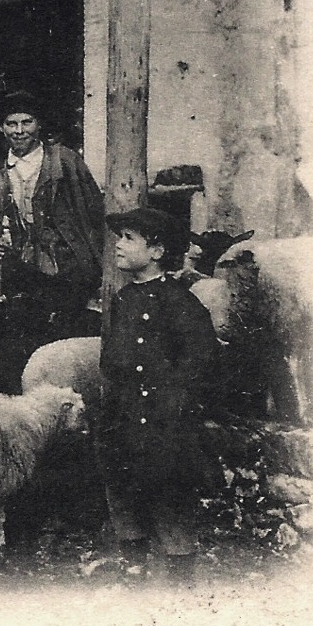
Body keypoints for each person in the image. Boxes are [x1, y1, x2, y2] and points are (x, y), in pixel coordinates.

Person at [99, 206, 219, 585]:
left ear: (156, 251)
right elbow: (113, 360)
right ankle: (134, 583)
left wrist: (173, 405)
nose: (118, 245)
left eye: (128, 239)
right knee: (126, 508)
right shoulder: (123, 299)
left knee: (170, 509)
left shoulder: (180, 302)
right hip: (125, 423)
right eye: (119, 237)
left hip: (166, 427)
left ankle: (181, 595)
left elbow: (202, 362)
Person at [0, 90, 105, 390]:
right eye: (12, 124)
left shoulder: (65, 162)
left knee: (62, 348)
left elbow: (94, 212)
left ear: (39, 125)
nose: (19, 131)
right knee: (16, 344)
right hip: (18, 274)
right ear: (2, 128)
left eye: (27, 122)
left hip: (67, 272)